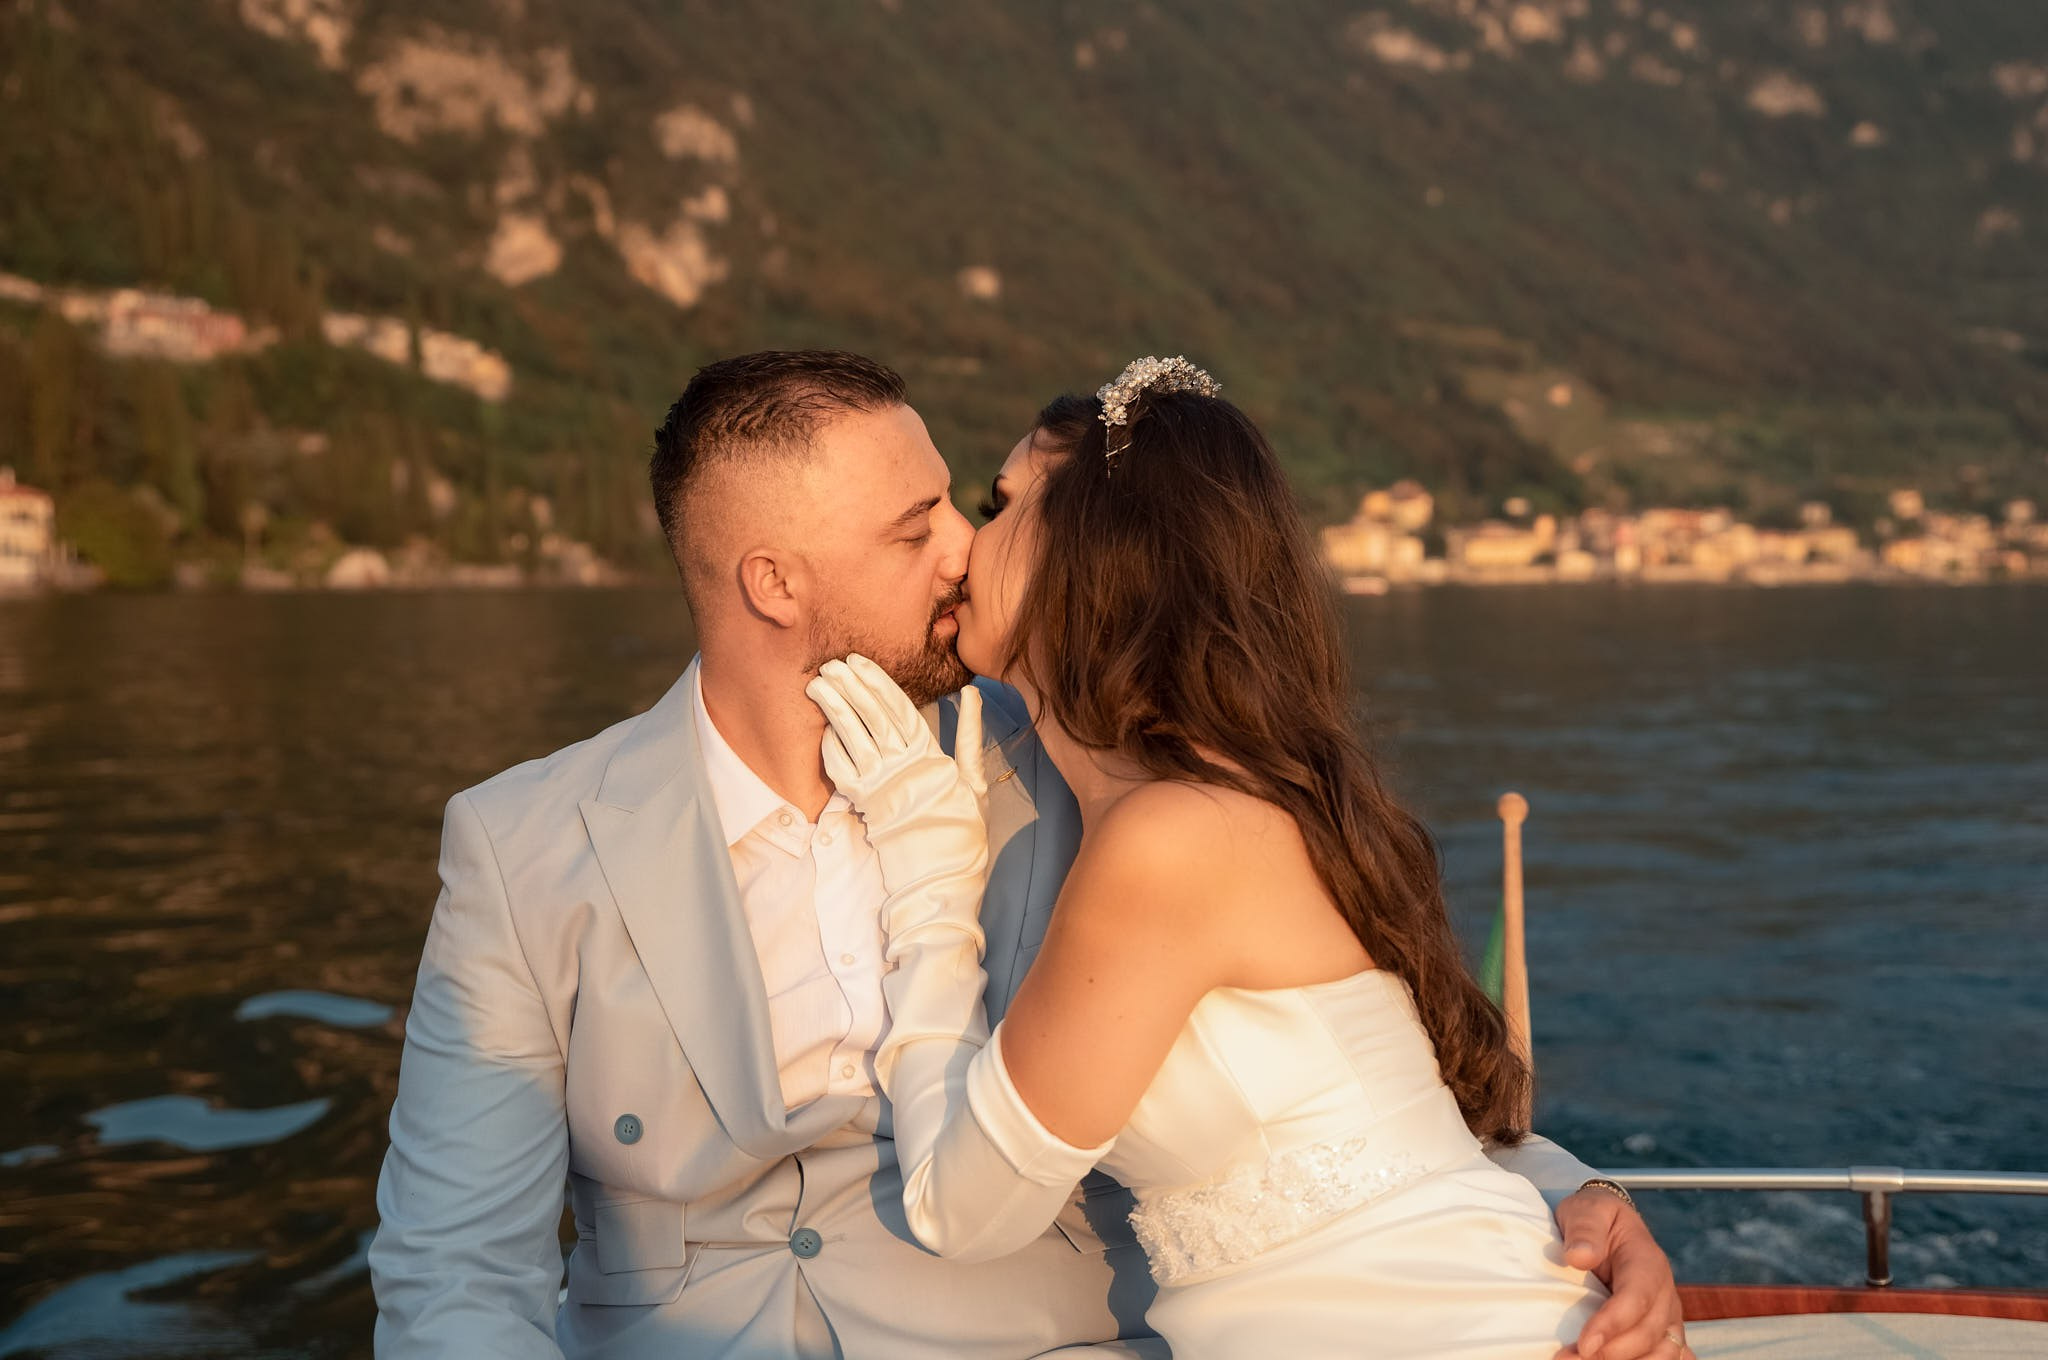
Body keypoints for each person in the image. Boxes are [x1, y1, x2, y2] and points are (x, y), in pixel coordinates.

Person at [368, 349, 1683, 1358]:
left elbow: (1361, 1055)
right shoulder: (528, 841)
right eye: (916, 527)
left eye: (969, 506)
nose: (960, 551)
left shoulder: (1079, 769)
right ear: (773, 583)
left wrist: (1588, 1198)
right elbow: (457, 1268)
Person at [805, 357, 1690, 1359]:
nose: (964, 542)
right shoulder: (1249, 799)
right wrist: (1594, 1194)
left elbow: (958, 1207)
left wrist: (925, 878)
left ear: (1095, 547)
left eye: (999, 503)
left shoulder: (1172, 838)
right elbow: (1404, 1122)